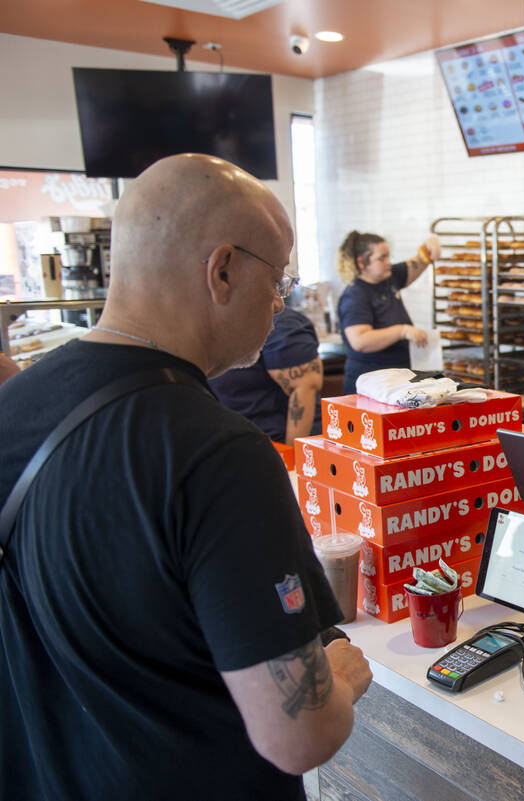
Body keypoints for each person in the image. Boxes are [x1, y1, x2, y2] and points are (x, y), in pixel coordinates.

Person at [0, 154, 372, 800]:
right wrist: (340, 676)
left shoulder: (16, 406)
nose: (280, 299)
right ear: (222, 269)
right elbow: (300, 734)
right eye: (277, 276)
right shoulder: (219, 455)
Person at [337, 229, 440, 394]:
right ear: (361, 263)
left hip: (396, 380)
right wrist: (402, 331)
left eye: (388, 256)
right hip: (371, 385)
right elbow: (360, 340)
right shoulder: (355, 295)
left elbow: (421, 260)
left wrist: (432, 242)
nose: (388, 262)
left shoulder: (389, 278)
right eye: (381, 258)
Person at [210, 305, 324, 445]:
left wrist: (293, 456)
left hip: (277, 443)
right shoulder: (220, 322)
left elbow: (304, 388)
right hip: (236, 441)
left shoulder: (282, 324)